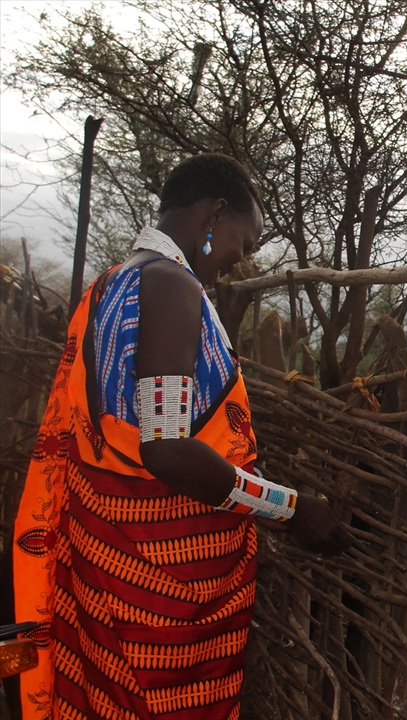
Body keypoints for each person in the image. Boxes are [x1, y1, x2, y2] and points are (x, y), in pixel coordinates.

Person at [7, 153, 351, 720]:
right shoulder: (170, 286)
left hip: (107, 559)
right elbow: (165, 449)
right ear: (215, 214)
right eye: (249, 237)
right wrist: (289, 507)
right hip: (159, 584)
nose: (245, 257)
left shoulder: (112, 284)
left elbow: (146, 430)